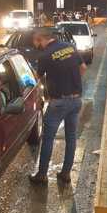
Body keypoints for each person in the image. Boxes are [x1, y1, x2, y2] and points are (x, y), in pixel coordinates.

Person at [29, 28, 86, 185]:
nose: (35, 45)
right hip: (75, 100)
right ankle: (66, 173)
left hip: (58, 103)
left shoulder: (45, 56)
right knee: (71, 137)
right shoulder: (70, 47)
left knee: (48, 138)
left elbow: (37, 78)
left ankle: (42, 175)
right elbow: (83, 68)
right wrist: (71, 84)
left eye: (35, 41)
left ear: (40, 39)